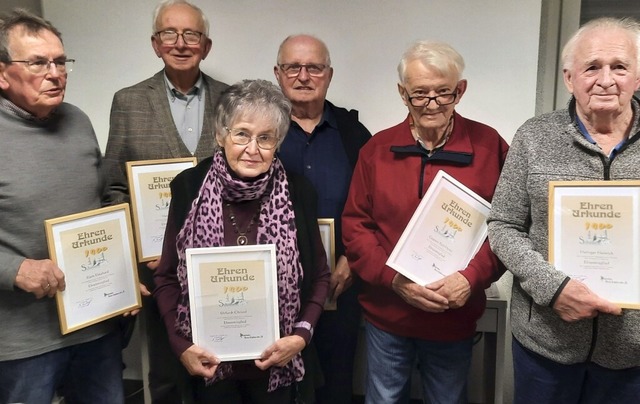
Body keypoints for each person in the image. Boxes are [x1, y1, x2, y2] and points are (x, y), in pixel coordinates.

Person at [342, 40, 508, 403]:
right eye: (420, 94)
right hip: (388, 316)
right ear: (403, 94)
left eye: (443, 93)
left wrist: (471, 278)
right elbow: (356, 227)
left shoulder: (490, 147)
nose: (431, 104)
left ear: (460, 91)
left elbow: (508, 227)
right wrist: (393, 279)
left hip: (453, 316)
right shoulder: (377, 151)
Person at [487, 17, 640, 403]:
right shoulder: (534, 137)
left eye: (619, 67)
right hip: (547, 344)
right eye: (592, 67)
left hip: (632, 353)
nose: (606, 79)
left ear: (637, 77)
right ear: (569, 78)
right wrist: (553, 289)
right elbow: (502, 225)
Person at [153, 79, 331, 403]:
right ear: (221, 134)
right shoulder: (188, 187)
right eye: (242, 134)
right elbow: (165, 276)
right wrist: (182, 346)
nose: (253, 149)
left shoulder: (299, 192)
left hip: (278, 369)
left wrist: (301, 336)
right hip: (209, 369)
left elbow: (319, 275)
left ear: (278, 142)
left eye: (265, 138)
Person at [103, 0, 228, 401]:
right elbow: (114, 188)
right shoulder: (128, 102)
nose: (180, 43)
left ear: (206, 46)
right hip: (161, 270)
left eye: (191, 34)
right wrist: (139, 252)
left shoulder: (232, 101)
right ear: (155, 44)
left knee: (224, 368)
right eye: (169, 34)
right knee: (168, 374)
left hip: (223, 267)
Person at [0, 9, 125, 403]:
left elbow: (103, 203)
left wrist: (121, 271)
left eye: (60, 61)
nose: (55, 73)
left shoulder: (78, 121)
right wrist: (14, 269)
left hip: (95, 328)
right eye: (38, 62)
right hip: (23, 341)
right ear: (2, 73)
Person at [273, 34, 371, 403]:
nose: (303, 76)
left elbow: (372, 209)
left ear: (328, 75)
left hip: (339, 285)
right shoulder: (262, 134)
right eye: (292, 67)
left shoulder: (355, 135)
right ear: (277, 74)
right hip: (276, 291)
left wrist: (353, 261)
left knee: (336, 384)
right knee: (279, 387)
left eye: (313, 67)